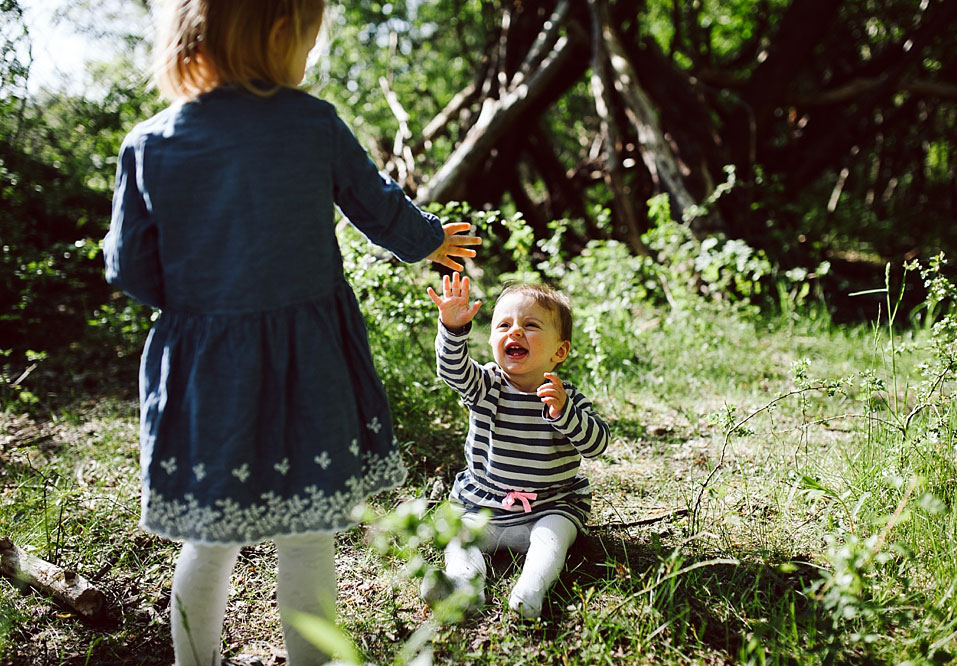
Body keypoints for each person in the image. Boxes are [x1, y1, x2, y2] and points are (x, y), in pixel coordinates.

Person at [102, 1, 480, 664]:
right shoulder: (311, 125)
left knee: (208, 536)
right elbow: (376, 203)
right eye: (309, 36)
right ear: (280, 33)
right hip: (309, 362)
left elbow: (128, 266)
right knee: (308, 534)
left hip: (204, 367)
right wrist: (429, 240)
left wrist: (202, 309)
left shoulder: (150, 143)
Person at [423, 273, 610, 619]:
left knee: (553, 537)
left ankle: (530, 591)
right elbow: (452, 369)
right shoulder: (486, 385)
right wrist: (451, 328)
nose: (515, 331)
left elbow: (598, 444)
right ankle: (464, 587)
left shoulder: (565, 398)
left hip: (549, 504)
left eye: (531, 325)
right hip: (483, 505)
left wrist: (564, 413)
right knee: (459, 538)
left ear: (560, 350)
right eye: (504, 325)